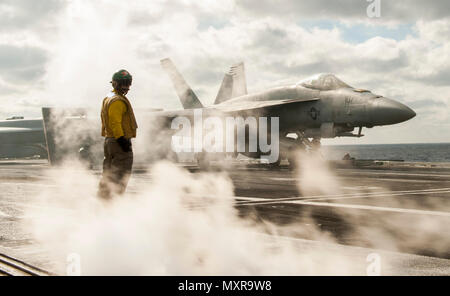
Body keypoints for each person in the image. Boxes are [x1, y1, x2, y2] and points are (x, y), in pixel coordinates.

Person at [98, 69, 138, 200]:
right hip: (117, 142)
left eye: (127, 83)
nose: (126, 87)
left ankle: (102, 202)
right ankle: (113, 204)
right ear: (115, 84)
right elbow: (115, 122)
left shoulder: (108, 97)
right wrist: (122, 140)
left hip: (109, 140)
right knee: (120, 175)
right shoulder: (118, 101)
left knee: (109, 174)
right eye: (123, 83)